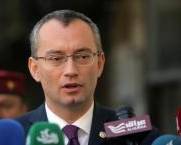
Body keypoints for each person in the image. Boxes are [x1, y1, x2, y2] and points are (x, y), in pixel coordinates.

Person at [16, 10, 159, 145]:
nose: (70, 71)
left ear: (99, 64)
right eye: (56, 58)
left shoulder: (140, 138)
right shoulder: (15, 137)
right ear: (34, 69)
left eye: (83, 57)